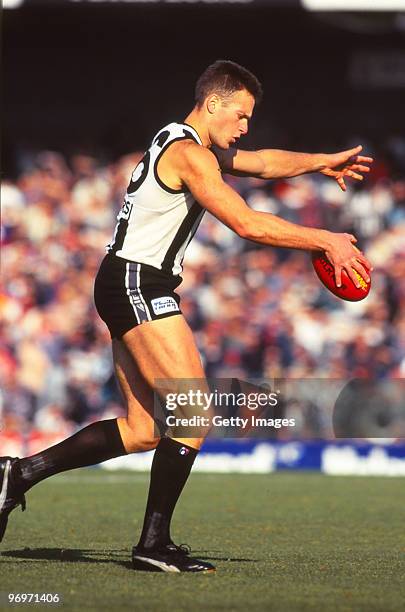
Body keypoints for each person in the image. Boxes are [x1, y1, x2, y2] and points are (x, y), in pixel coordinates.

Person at [0, 60, 373, 573]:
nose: (245, 126)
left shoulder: (183, 142)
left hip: (123, 280)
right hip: (139, 282)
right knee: (193, 414)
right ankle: (152, 545)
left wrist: (319, 162)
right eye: (241, 114)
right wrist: (324, 238)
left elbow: (262, 163)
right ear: (213, 103)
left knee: (144, 429)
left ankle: (18, 474)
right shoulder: (190, 154)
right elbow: (244, 222)